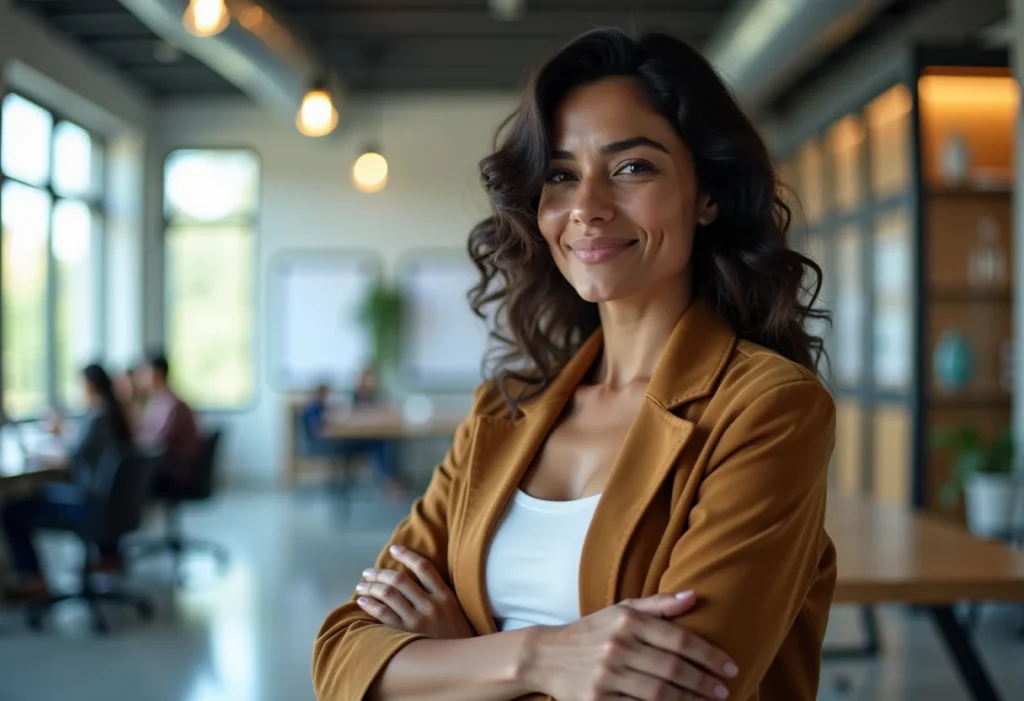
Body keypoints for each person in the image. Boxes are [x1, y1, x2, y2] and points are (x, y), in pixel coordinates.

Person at [313, 28, 836, 701]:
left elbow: (678, 690)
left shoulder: (768, 406)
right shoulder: (505, 407)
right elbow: (342, 658)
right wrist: (533, 658)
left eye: (631, 167)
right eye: (561, 175)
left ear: (707, 194)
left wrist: (458, 658)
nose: (587, 207)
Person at [1, 364, 136, 602]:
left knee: (14, 510)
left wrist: (43, 450)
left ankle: (34, 580)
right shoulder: (111, 414)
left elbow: (72, 458)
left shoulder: (98, 417)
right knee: (38, 493)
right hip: (109, 503)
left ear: (89, 386)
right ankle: (106, 555)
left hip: (93, 505)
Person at [301, 375, 405, 501]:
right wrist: (334, 418)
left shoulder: (326, 405)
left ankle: (388, 482)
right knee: (378, 444)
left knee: (381, 442)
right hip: (329, 444)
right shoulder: (314, 407)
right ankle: (387, 483)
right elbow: (319, 428)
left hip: (345, 439)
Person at [135, 353, 200, 487]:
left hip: (175, 469)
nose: (140, 378)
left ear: (156, 374)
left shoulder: (172, 405)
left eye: (144, 373)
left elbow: (159, 441)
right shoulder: (159, 401)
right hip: (168, 463)